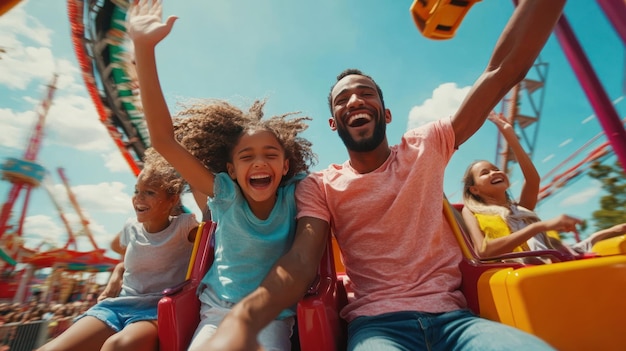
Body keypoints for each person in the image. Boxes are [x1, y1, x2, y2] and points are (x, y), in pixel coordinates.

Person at [199, 1, 568, 350]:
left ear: (386, 113)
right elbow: (300, 261)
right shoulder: (322, 186)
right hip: (378, 327)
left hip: (457, 321)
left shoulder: (427, 145)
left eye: (366, 93)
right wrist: (245, 319)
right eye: (343, 100)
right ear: (333, 123)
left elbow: (504, 70)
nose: (355, 101)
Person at [127, 2, 317, 350]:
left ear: (286, 166)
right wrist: (143, 47)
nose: (259, 163)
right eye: (247, 157)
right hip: (215, 313)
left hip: (271, 317)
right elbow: (163, 140)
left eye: (270, 155)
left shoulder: (297, 193)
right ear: (231, 169)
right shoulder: (224, 192)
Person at [37, 148, 199, 351]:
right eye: (136, 191)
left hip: (156, 309)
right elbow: (122, 251)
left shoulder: (185, 227)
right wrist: (119, 271)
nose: (139, 198)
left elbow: (212, 243)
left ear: (172, 200)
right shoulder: (130, 227)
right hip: (119, 305)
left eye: (149, 193)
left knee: (117, 346)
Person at [461, 113, 626, 258]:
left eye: (496, 169)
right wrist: (538, 227)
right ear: (474, 189)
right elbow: (483, 251)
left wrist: (510, 136)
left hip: (548, 264)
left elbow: (533, 180)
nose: (494, 173)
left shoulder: (521, 210)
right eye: (485, 173)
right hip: (514, 273)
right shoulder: (470, 212)